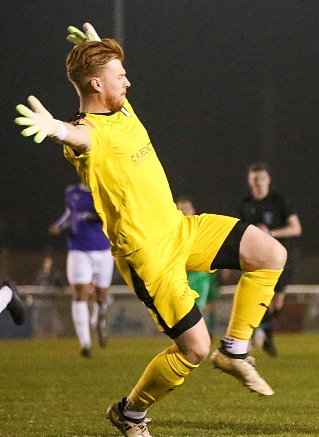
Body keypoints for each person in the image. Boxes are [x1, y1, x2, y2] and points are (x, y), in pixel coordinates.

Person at [15, 23, 286, 437]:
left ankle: (235, 350)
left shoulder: (122, 110)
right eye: (119, 76)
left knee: (270, 254)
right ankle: (130, 412)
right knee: (194, 348)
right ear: (95, 83)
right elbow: (78, 136)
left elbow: (105, 86)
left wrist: (96, 46)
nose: (128, 80)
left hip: (181, 230)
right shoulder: (91, 132)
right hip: (149, 257)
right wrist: (54, 129)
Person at [238, 162, 302, 357]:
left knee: (277, 302)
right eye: (254, 179)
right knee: (261, 297)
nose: (258, 183)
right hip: (256, 259)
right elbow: (239, 232)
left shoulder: (278, 201)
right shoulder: (245, 204)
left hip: (280, 258)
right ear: (249, 181)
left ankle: (261, 329)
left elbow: (296, 229)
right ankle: (267, 338)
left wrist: (271, 233)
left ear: (268, 180)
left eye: (261, 179)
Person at [50, 181, 114, 356]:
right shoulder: (72, 192)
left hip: (103, 249)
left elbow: (112, 214)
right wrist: (60, 225)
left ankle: (99, 320)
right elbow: (71, 214)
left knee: (101, 296)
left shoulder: (105, 190)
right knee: (80, 293)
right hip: (79, 249)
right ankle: (85, 344)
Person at [175, 196, 220, 335]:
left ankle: (205, 333)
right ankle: (189, 336)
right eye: (179, 209)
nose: (183, 212)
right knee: (183, 309)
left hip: (201, 273)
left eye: (185, 209)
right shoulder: (172, 231)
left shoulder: (200, 227)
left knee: (203, 306)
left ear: (192, 210)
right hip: (181, 273)